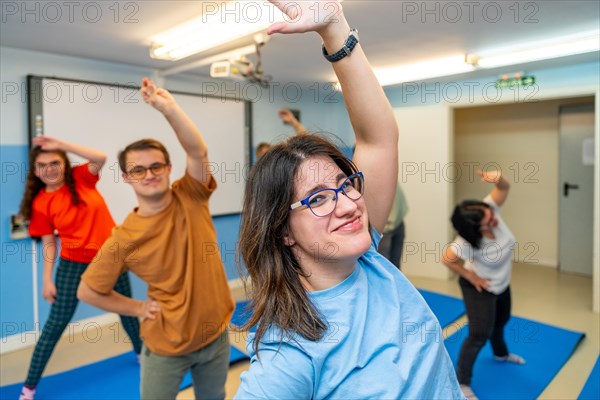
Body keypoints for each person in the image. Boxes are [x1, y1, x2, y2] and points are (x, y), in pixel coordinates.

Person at [234, 1, 463, 398]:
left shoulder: (366, 254)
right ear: (283, 231)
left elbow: (378, 139)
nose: (347, 203)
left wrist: (334, 26)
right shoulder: (288, 353)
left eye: (345, 185)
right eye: (318, 199)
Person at [77, 78, 234, 400]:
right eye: (138, 170)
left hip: (215, 335)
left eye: (155, 166)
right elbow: (88, 290)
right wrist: (136, 307)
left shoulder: (191, 196)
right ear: (126, 177)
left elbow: (196, 149)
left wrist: (169, 108)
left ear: (168, 167)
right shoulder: (123, 238)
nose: (149, 174)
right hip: (166, 346)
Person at [18, 137, 142, 400]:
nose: (49, 170)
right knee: (55, 325)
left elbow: (101, 157)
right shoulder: (40, 202)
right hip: (73, 263)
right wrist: (46, 280)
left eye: (55, 163)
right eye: (43, 166)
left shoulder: (81, 178)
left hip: (111, 257)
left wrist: (61, 144)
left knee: (127, 310)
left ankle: (143, 355)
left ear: (64, 164)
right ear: (35, 170)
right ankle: (28, 388)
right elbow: (49, 242)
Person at [441, 169, 526, 400]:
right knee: (478, 335)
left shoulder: (489, 210)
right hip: (480, 288)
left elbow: (504, 188)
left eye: (490, 213)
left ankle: (501, 354)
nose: (494, 219)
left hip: (502, 284)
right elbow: (446, 258)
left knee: (501, 322)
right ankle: (462, 382)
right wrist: (471, 277)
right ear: (475, 227)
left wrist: (498, 178)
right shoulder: (466, 242)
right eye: (489, 220)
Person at [377, 182, 408, 269]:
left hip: (398, 224)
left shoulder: (390, 175)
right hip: (383, 230)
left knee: (395, 267)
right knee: (384, 268)